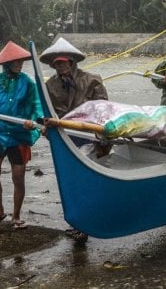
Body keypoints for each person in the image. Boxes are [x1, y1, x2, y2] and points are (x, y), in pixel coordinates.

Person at [39, 37, 108, 243]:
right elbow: (47, 112)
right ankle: (79, 225)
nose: (60, 67)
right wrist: (46, 126)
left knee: (87, 179)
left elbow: (104, 110)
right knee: (71, 182)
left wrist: (104, 140)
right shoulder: (50, 86)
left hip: (89, 136)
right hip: (65, 138)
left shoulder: (92, 80)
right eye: (56, 64)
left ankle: (88, 222)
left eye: (63, 63)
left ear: (71, 62)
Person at [0, 41, 43, 231]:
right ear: (6, 63)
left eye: (21, 60)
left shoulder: (28, 83)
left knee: (18, 177)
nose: (19, 63)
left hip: (19, 135)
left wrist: (33, 121)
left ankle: (16, 216)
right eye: (15, 61)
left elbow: (37, 107)